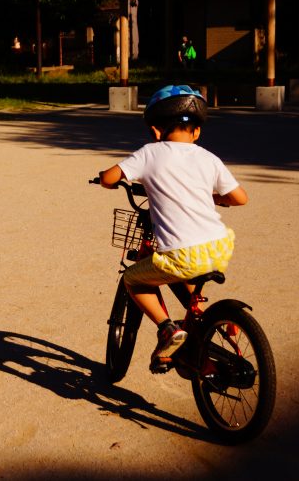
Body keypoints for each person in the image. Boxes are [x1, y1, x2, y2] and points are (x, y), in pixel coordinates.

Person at [97, 85, 248, 371]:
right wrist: (209, 195)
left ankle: (167, 328)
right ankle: (213, 320)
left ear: (155, 131)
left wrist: (105, 176)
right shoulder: (208, 158)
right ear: (198, 132)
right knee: (187, 271)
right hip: (218, 248)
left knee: (134, 279)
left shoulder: (150, 153)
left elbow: (109, 178)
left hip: (181, 254)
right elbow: (240, 198)